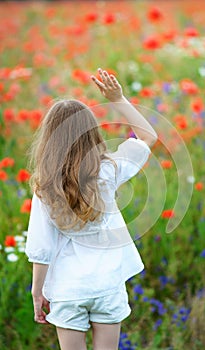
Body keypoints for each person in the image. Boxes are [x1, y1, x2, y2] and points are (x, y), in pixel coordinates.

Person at [25, 68, 158, 350]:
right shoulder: (108, 170)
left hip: (67, 288)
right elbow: (147, 137)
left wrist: (38, 292)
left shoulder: (45, 186)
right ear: (91, 133)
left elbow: (41, 247)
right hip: (107, 284)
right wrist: (118, 99)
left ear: (49, 139)